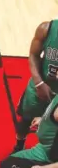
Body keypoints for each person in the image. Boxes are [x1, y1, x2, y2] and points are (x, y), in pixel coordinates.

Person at [12, 20, 58, 153]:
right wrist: (39, 83)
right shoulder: (47, 28)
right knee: (26, 119)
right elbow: (33, 55)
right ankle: (19, 146)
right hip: (41, 85)